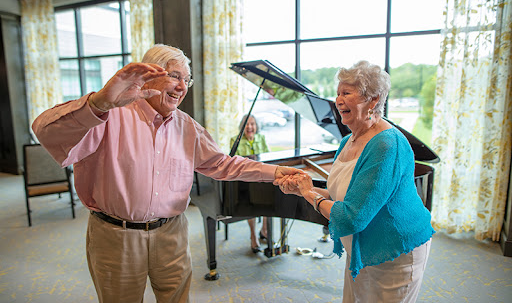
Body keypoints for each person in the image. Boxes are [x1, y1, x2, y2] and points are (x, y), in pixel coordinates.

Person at [32, 44, 302, 303]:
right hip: (117, 236)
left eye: (187, 79)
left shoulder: (186, 125)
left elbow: (223, 164)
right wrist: (99, 103)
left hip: (172, 233)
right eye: (175, 76)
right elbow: (45, 131)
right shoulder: (108, 113)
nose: (183, 86)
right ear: (149, 76)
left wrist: (274, 172)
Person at [276, 60, 435, 303]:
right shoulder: (348, 141)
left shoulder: (386, 145)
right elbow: (342, 195)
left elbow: (352, 217)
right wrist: (302, 189)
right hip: (363, 248)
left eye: (346, 93)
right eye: (338, 93)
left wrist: (310, 194)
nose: (338, 100)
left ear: (373, 99)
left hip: (395, 250)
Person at [230, 114, 270, 253]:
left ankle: (264, 230)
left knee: (271, 200)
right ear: (242, 126)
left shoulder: (261, 138)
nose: (250, 127)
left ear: (256, 126)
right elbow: (235, 164)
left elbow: (268, 158)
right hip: (245, 181)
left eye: (252, 124)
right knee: (250, 203)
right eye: (247, 124)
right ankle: (253, 235)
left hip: (262, 178)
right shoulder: (235, 140)